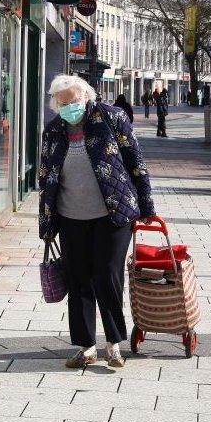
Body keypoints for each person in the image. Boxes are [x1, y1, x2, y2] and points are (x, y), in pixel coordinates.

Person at [39, 75, 156, 369]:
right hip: (70, 216)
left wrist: (147, 206)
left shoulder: (112, 118)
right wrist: (46, 221)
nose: (69, 107)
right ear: (56, 104)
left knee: (107, 276)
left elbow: (135, 161)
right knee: (78, 280)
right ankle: (86, 346)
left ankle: (113, 344)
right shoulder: (53, 130)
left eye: (74, 101)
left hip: (113, 214)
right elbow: (45, 176)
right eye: (63, 103)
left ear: (87, 96)